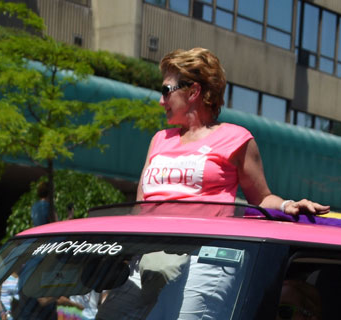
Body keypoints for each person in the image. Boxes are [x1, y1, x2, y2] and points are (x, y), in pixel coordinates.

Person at [137, 47, 328, 216]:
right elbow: (138, 207)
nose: (161, 101)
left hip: (199, 249)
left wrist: (289, 205)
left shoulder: (236, 138)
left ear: (193, 92)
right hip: (150, 248)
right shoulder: (159, 139)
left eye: (166, 91)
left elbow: (261, 199)